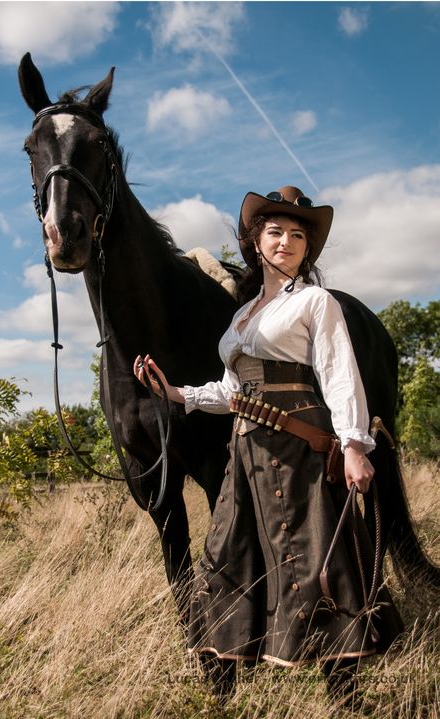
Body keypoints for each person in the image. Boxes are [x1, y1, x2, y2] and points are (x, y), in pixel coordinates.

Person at [134, 185, 403, 702]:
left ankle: (344, 692)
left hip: (298, 445)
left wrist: (352, 445)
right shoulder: (242, 318)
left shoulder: (314, 302)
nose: (286, 242)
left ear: (307, 248)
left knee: (316, 555)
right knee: (229, 553)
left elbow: (340, 373)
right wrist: (176, 392)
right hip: (247, 451)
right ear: (256, 241)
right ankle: (226, 683)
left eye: (298, 235)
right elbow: (232, 391)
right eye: (275, 232)